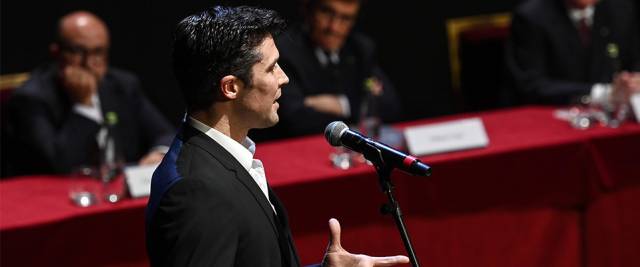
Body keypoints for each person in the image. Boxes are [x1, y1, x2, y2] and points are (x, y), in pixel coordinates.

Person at [145, 6, 409, 267]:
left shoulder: (225, 156)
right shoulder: (197, 192)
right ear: (231, 87)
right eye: (271, 69)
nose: (283, 78)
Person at [4, 11, 174, 175]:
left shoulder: (123, 85)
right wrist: (83, 105)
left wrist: (159, 154)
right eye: (78, 51)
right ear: (57, 53)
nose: (89, 62)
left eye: (98, 52)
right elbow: (59, 165)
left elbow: (165, 133)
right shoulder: (31, 98)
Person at [250, 0, 401, 141]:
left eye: (346, 18)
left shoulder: (361, 49)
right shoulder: (282, 49)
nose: (334, 27)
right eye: (327, 13)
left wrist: (342, 104)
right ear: (308, 9)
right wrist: (358, 108)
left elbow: (389, 105)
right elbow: (293, 118)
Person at [505, 0, 640, 106]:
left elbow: (634, 61)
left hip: (613, 113)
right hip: (553, 113)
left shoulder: (620, 8)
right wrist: (603, 93)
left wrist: (632, 82)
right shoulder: (532, 16)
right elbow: (531, 85)